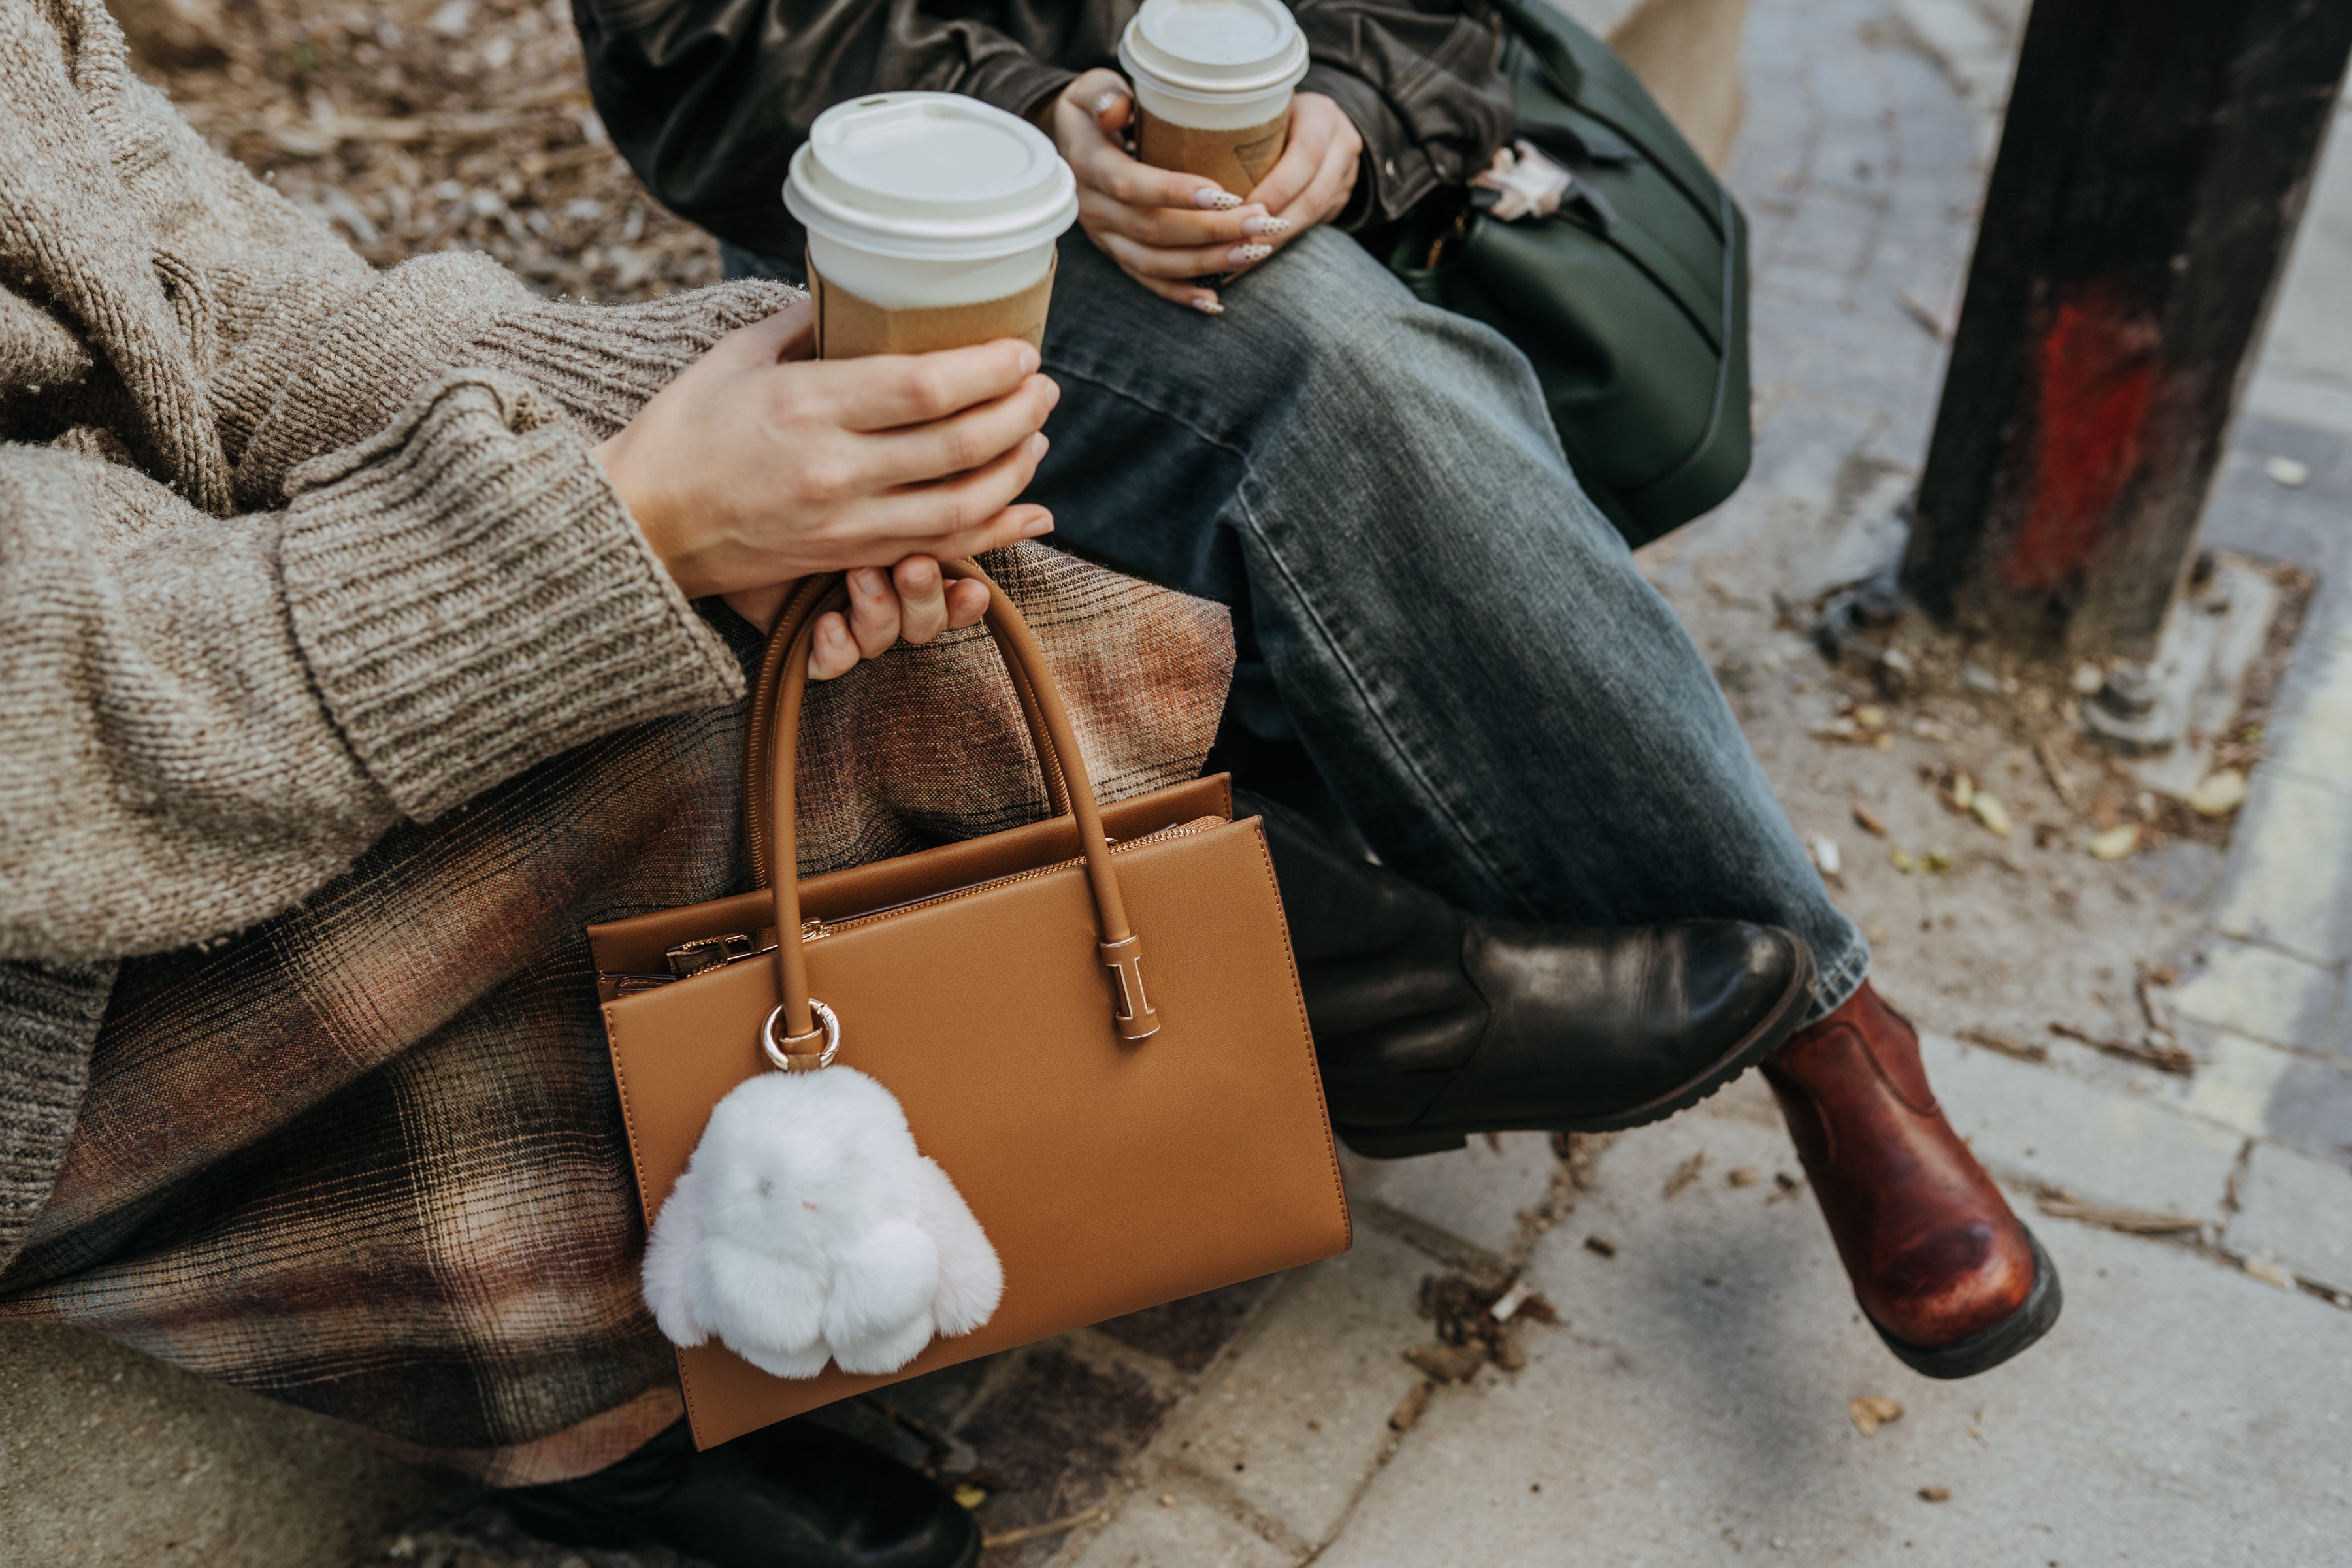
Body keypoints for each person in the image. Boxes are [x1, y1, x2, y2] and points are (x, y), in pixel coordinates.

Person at [564, 0, 2066, 1554]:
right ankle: (1798, 1021)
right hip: (919, 207)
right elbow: (698, 52)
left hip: (1283, 162)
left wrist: (1350, 101)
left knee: (1346, 345)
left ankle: (1684, 1007)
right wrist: (1043, 113)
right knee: (1340, 376)